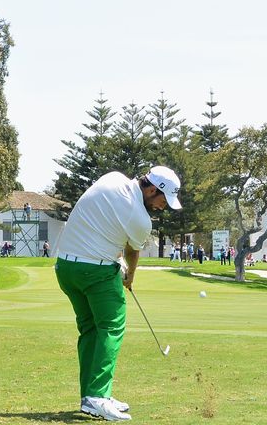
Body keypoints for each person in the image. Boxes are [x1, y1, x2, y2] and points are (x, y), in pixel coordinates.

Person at [55, 165, 181, 421]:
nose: (163, 207)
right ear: (153, 189)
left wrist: (117, 258)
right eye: (162, 200)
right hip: (96, 273)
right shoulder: (141, 219)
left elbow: (105, 222)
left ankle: (92, 395)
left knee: (90, 330)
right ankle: (98, 396)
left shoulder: (112, 178)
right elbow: (133, 251)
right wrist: (129, 276)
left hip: (65, 269)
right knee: (111, 328)